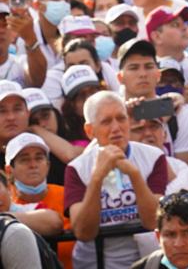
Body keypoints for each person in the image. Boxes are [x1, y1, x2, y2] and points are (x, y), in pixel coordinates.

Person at [65, 91, 168, 268]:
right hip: (95, 263)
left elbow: (153, 221)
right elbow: (83, 231)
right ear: (90, 131)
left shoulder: (154, 157)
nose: (116, 128)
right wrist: (97, 178)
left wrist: (134, 175)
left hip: (147, 261)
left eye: (121, 118)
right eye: (106, 122)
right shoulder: (77, 168)